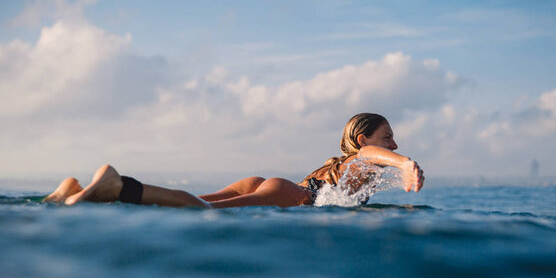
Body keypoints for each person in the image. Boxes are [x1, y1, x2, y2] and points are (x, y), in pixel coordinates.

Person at [43, 113, 425, 208]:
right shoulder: (364, 159)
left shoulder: (347, 165)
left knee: (189, 202)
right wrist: (404, 162)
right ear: (364, 139)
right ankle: (118, 184)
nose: (392, 143)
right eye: (387, 137)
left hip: (270, 185)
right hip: (291, 196)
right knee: (198, 210)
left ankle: (76, 192)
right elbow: (368, 154)